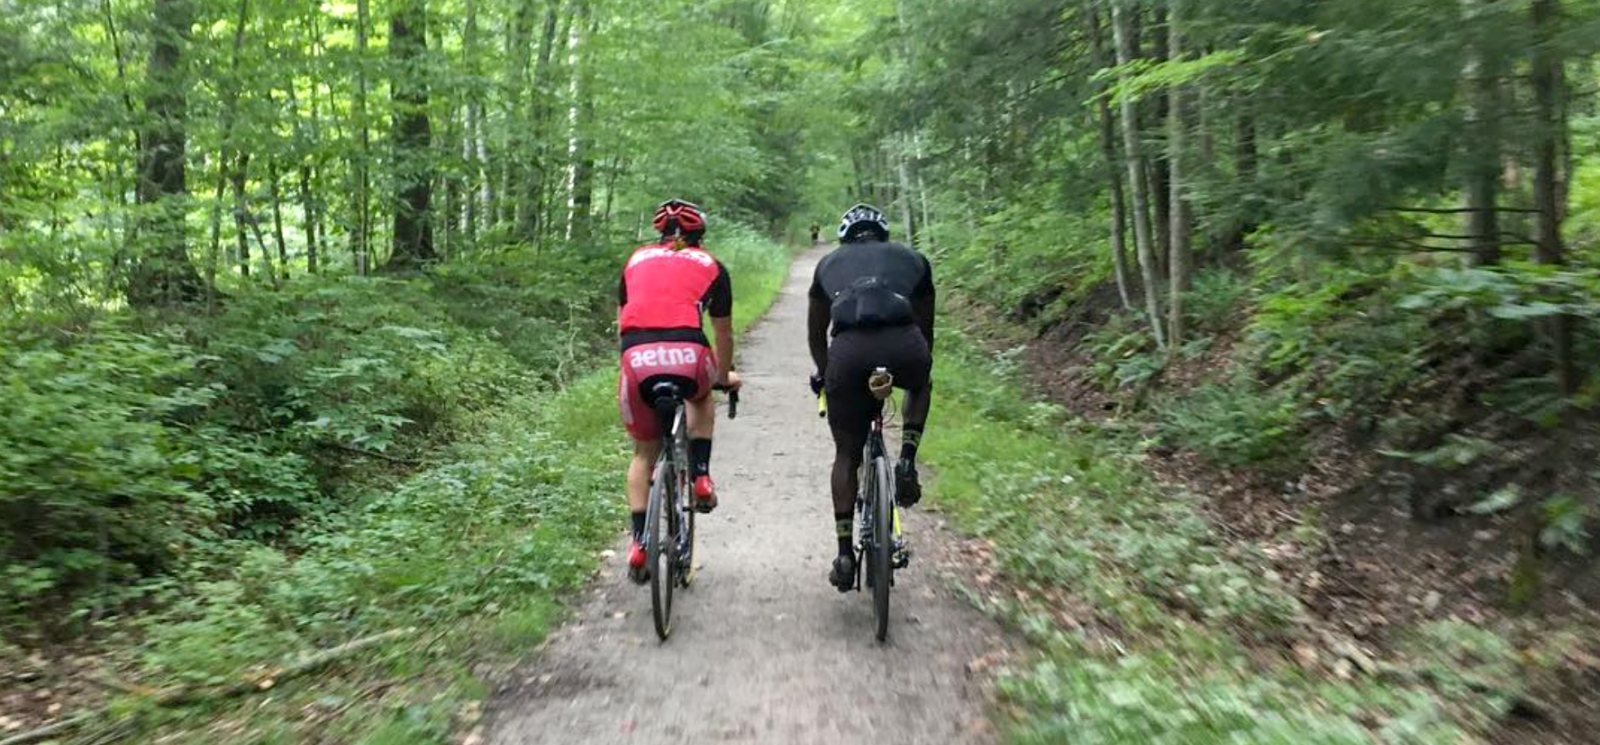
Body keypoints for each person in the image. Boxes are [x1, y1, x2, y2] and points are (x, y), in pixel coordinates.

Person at [807, 203, 935, 592]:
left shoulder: (828, 264)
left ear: (846, 238)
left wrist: (824, 372)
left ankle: (845, 554)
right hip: (904, 344)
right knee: (920, 383)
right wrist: (918, 364)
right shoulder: (913, 259)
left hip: (848, 353)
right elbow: (926, 327)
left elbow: (816, 331)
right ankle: (907, 462)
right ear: (884, 236)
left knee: (846, 454)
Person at [617, 199, 741, 582]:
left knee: (643, 454)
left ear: (660, 233)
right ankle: (701, 476)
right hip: (688, 351)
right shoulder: (711, 265)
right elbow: (722, 333)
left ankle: (639, 544)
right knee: (701, 396)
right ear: (699, 236)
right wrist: (723, 377)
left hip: (636, 357)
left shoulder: (634, 261)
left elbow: (624, 318)